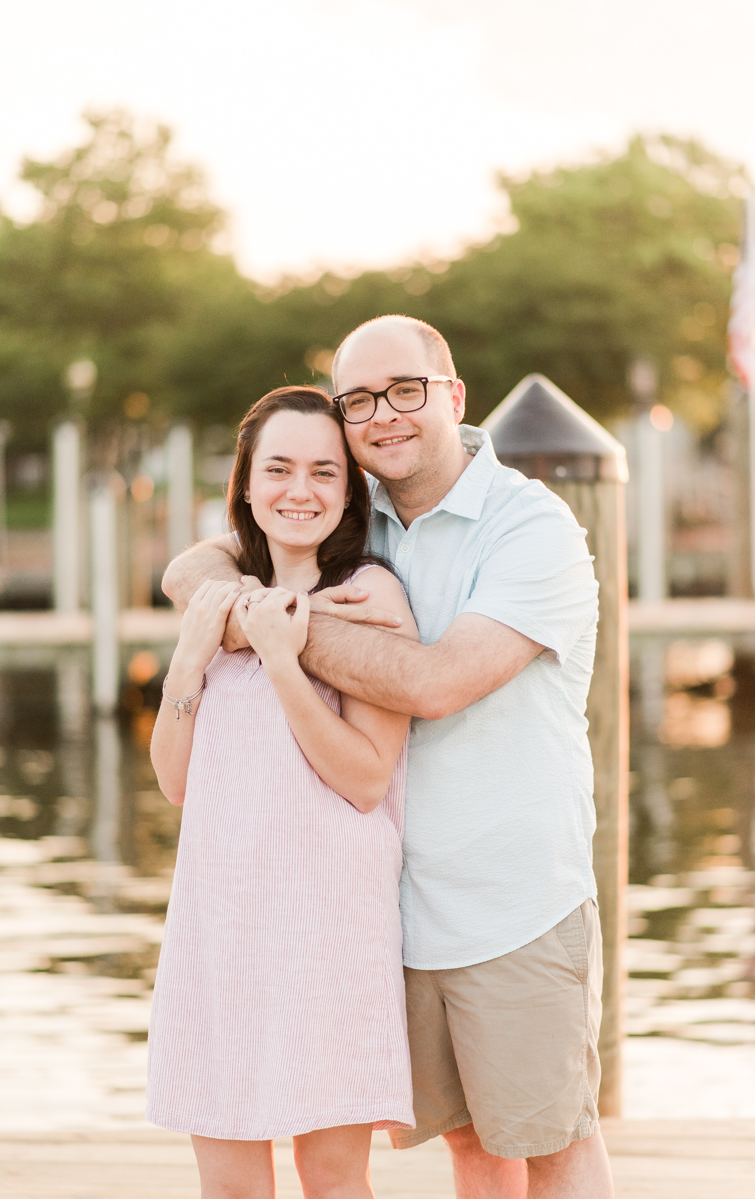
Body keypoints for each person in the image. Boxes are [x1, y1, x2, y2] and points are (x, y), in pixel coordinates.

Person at [164, 316, 615, 1199]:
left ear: (453, 395)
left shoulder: (530, 528)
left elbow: (438, 681)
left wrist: (277, 628)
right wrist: (240, 604)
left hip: (511, 904)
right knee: (472, 1149)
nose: (383, 415)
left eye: (405, 389)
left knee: (551, 1142)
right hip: (389, 912)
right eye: (359, 399)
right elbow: (196, 567)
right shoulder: (359, 522)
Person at [147, 386, 419, 1199]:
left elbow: (368, 779)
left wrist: (280, 658)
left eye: (322, 472)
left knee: (332, 1177)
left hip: (329, 923)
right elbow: (174, 780)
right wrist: (187, 663)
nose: (298, 490)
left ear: (346, 491)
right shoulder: (215, 596)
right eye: (279, 468)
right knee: (230, 1180)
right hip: (220, 917)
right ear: (247, 483)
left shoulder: (371, 597)